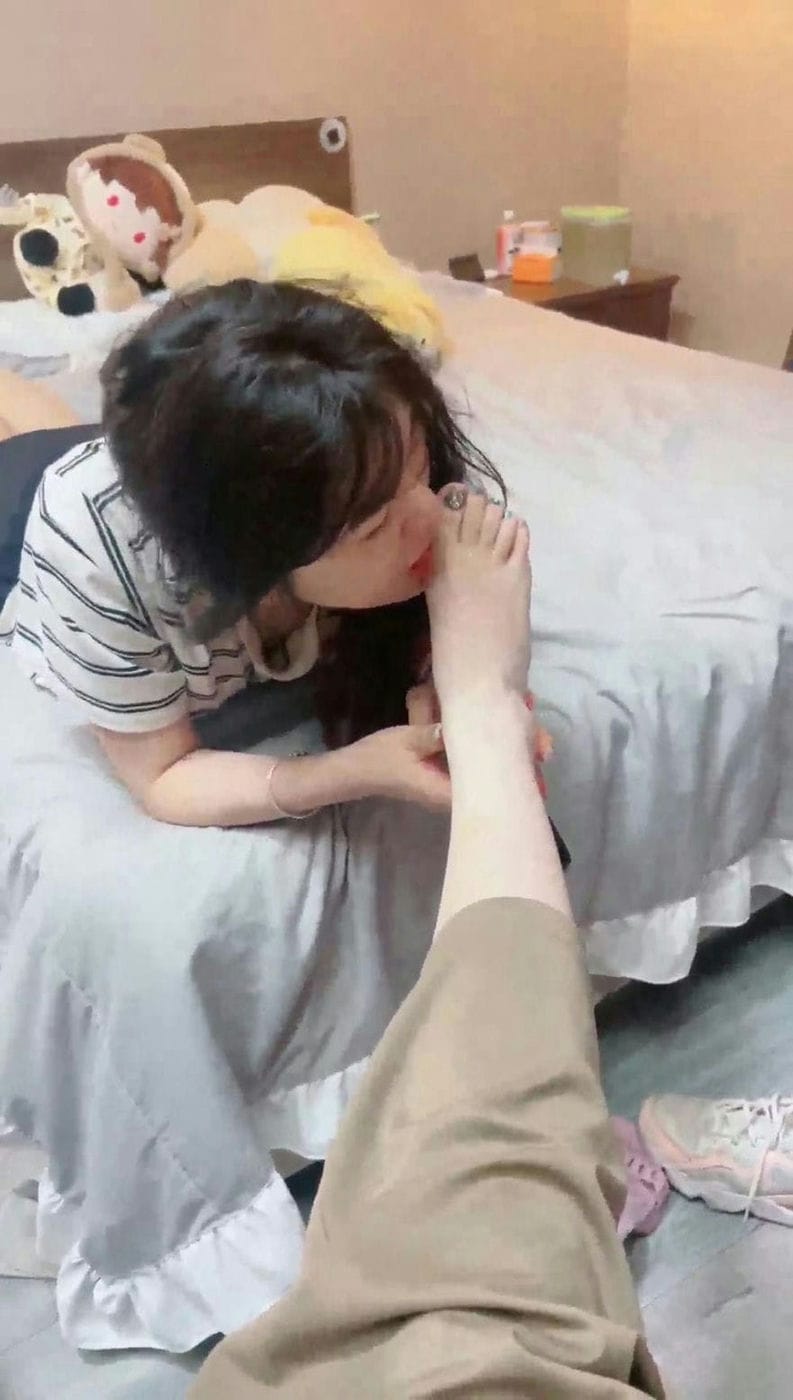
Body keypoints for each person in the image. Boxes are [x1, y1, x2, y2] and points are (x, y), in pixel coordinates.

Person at [189, 488, 665, 1398]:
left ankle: (560, 1218)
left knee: (474, 1248)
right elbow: (159, 773)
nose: (424, 516)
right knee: (498, 1234)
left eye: (414, 470)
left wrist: (429, 670)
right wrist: (447, 721)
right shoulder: (102, 549)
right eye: (371, 518)